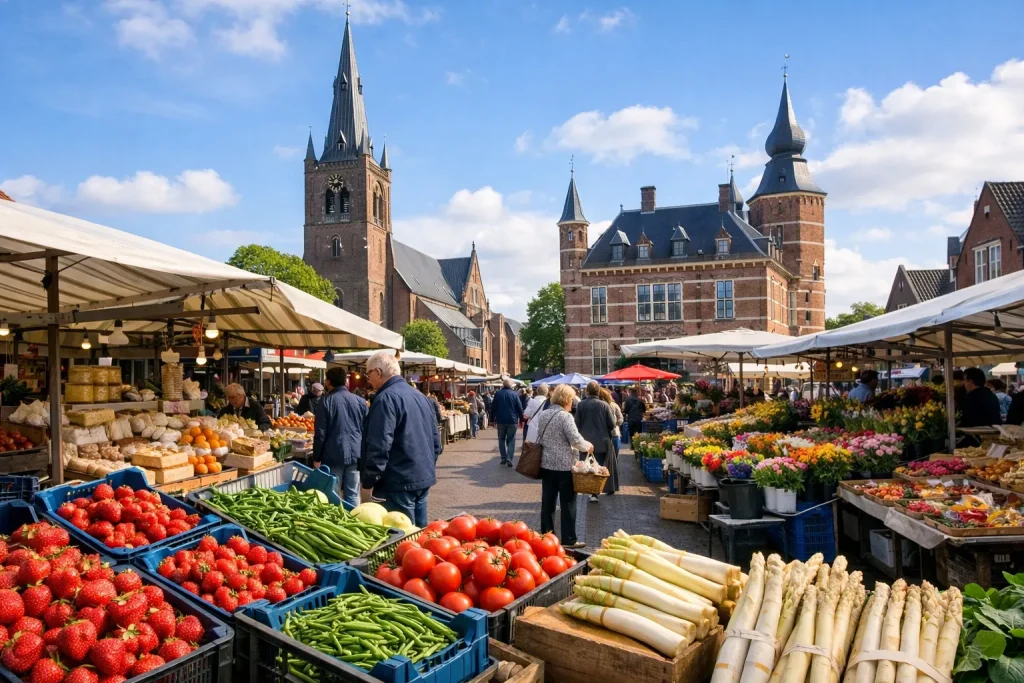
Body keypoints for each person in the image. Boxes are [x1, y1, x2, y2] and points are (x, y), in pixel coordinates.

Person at [360, 351, 441, 528]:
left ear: (378, 372)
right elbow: (436, 441)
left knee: (401, 540)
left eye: (369, 374)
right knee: (419, 536)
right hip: (421, 476)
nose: (368, 379)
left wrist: (369, 481)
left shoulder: (385, 399)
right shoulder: (421, 397)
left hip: (397, 481)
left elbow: (379, 444)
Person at [530, 384, 592, 549]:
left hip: (546, 465)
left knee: (548, 503)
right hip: (564, 467)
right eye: (571, 399)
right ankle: (569, 539)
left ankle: (547, 536)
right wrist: (588, 446)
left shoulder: (544, 414)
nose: (572, 403)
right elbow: (575, 440)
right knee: (568, 503)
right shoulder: (566, 417)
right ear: (566, 399)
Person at [312, 368, 367, 508]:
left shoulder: (326, 402)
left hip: (333, 454)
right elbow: (367, 430)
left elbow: (320, 433)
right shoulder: (361, 402)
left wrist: (316, 457)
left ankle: (338, 524)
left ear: (329, 382)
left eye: (325, 380)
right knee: (353, 494)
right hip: (356, 453)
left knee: (333, 493)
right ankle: (354, 521)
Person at [575, 381, 617, 502]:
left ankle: (588, 490)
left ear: (586, 391)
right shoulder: (604, 405)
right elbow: (612, 424)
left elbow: (576, 423)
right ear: (598, 391)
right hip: (602, 441)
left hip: (585, 442)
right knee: (598, 467)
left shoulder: (581, 405)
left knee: (587, 467)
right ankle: (594, 492)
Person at [489, 377, 524, 466]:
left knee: (501, 439)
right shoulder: (514, 394)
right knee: (511, 439)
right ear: (511, 385)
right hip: (512, 420)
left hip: (501, 420)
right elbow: (519, 408)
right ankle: (509, 458)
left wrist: (492, 420)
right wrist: (522, 420)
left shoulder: (498, 394)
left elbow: (493, 408)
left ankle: (503, 457)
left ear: (503, 385)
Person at [599, 388, 624, 456]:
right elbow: (621, 419)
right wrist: (615, 424)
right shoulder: (614, 405)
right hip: (614, 434)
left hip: (604, 435)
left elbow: (620, 418)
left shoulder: (612, 406)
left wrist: (614, 424)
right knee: (614, 458)